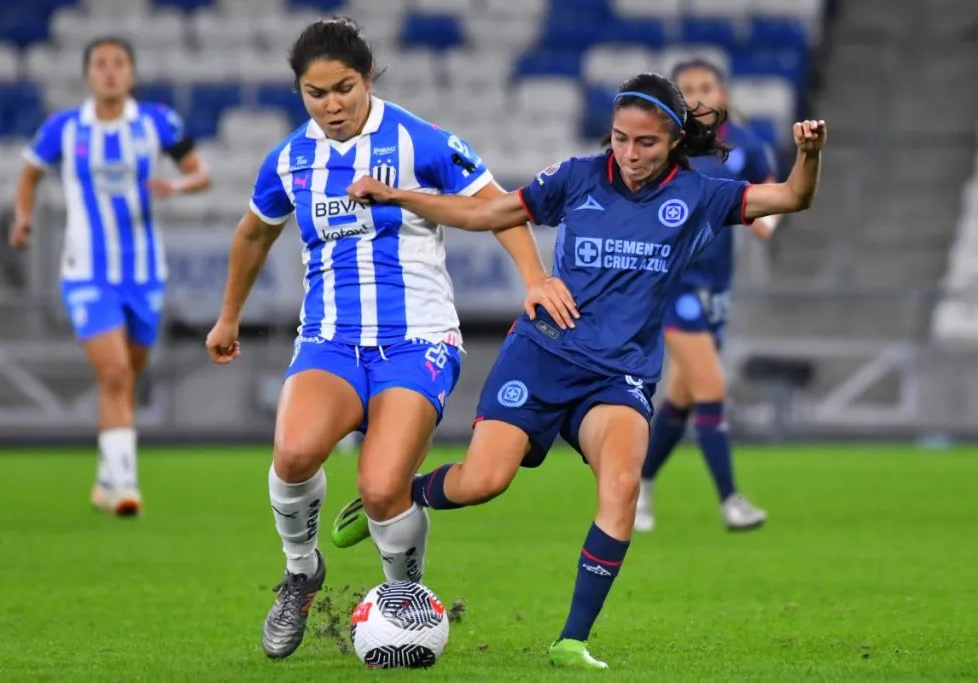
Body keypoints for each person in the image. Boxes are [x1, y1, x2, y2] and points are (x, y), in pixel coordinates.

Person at [333, 73, 827, 669]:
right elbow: (489, 211)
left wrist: (809, 154)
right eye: (619, 138)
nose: (628, 153)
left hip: (617, 377)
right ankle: (405, 495)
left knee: (621, 486)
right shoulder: (577, 177)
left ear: (673, 140)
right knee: (484, 481)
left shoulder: (703, 195)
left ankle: (572, 640)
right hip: (541, 355)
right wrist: (400, 197)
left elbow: (793, 198)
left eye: (645, 142)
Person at [202, 17, 572, 661]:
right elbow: (253, 234)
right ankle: (300, 574)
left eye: (343, 88)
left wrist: (535, 278)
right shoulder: (290, 158)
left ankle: (404, 596)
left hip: (418, 338)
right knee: (292, 454)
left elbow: (499, 205)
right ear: (300, 93)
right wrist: (228, 316)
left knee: (380, 488)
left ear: (367, 77)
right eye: (316, 94)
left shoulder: (420, 141)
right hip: (329, 340)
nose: (332, 105)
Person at [11, 36, 210, 517]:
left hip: (144, 272)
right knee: (116, 373)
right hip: (87, 271)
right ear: (87, 74)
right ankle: (125, 486)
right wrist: (23, 217)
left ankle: (105, 475)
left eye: (119, 63)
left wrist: (176, 185)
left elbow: (200, 172)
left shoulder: (155, 122)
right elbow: (30, 172)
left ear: (132, 73)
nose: (110, 72)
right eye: (100, 64)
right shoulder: (64, 127)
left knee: (123, 379)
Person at [636, 60, 781, 533]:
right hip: (673, 283)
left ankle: (639, 484)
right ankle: (731, 501)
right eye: (688, 88)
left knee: (682, 396)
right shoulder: (664, 147)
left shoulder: (747, 145)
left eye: (706, 86)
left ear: (723, 93)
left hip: (717, 286)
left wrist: (766, 221)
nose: (698, 95)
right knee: (712, 387)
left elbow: (768, 195)